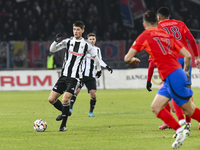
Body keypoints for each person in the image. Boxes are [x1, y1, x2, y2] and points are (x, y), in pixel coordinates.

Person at [124, 11, 200, 149]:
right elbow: (188, 55)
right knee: (156, 107)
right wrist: (185, 73)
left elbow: (127, 58)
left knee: (189, 110)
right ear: (157, 21)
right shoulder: (167, 35)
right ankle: (179, 130)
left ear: (144, 24)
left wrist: (133, 59)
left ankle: (181, 127)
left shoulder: (144, 36)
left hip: (172, 75)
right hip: (175, 74)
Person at [146, 6, 200, 130]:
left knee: (171, 90)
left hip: (171, 61)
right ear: (169, 16)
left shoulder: (157, 28)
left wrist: (149, 78)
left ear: (158, 17)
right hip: (185, 58)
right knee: (186, 90)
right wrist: (197, 56)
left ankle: (182, 122)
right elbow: (191, 39)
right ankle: (188, 122)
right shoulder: (180, 24)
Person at [48, 21, 102, 132]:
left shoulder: (86, 44)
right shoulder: (68, 42)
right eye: (74, 29)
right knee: (51, 99)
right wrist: (55, 41)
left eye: (78, 29)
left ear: (82, 30)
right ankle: (66, 112)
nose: (76, 31)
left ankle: (63, 125)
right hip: (64, 75)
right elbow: (52, 50)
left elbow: (96, 57)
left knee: (65, 98)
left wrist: (99, 69)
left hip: (75, 77)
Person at [69, 33, 113, 117]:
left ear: (95, 40)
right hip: (81, 75)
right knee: (76, 91)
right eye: (90, 39)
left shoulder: (97, 50)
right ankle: (70, 108)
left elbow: (99, 60)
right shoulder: (83, 48)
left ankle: (91, 112)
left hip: (91, 76)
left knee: (93, 94)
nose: (92, 40)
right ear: (87, 40)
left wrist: (106, 66)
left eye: (93, 39)